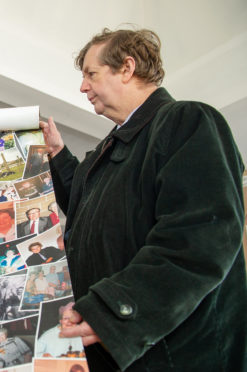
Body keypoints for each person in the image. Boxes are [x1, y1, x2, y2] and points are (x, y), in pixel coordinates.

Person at [40, 28, 246, 371]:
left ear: (126, 67)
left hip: (176, 357)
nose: (82, 87)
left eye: (91, 74)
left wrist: (111, 311)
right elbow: (85, 200)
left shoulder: (188, 121)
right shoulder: (105, 153)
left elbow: (199, 240)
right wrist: (58, 154)